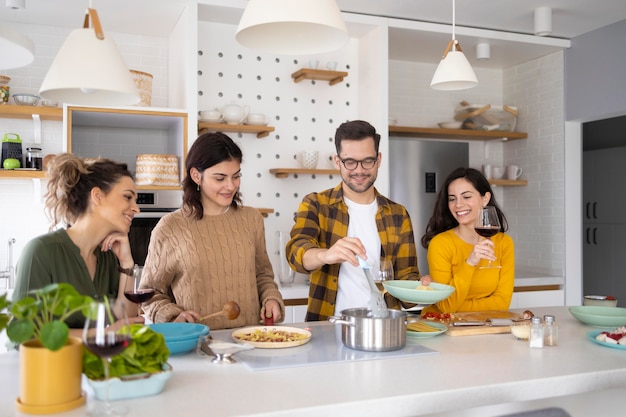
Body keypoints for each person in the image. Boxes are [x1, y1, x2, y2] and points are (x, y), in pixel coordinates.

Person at [140, 132, 284, 329]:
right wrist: (174, 317)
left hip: (250, 340)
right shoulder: (170, 228)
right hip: (197, 343)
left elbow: (263, 275)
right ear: (196, 176)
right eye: (220, 178)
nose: (230, 186)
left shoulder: (252, 219)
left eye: (236, 176)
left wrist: (271, 298)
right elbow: (150, 294)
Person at [286, 120, 421, 321]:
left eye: (368, 161)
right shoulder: (316, 204)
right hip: (328, 329)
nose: (359, 170)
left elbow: (407, 279)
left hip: (383, 328)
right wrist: (326, 254)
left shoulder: (398, 214)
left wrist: (421, 289)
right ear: (337, 161)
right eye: (350, 162)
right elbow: (296, 253)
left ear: (379, 159)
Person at [13, 153, 144, 332]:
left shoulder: (108, 257)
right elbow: (23, 333)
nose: (136, 208)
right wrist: (99, 335)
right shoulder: (41, 252)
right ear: (97, 196)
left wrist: (126, 263)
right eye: (128, 197)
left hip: (95, 360)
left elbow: (126, 321)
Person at [420, 167, 514, 313]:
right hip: (444, 327)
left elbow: (503, 302)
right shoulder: (440, 244)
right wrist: (470, 263)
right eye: (452, 199)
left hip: (485, 327)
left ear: (485, 199)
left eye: (466, 196)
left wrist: (462, 307)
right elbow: (446, 307)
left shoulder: (504, 243)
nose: (458, 204)